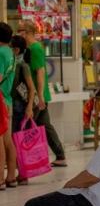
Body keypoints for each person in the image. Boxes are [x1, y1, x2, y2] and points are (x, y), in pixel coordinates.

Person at [19, 20, 67, 167]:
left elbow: (40, 72)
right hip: (39, 96)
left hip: (36, 97)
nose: (18, 34)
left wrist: (39, 96)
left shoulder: (35, 49)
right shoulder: (29, 49)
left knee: (26, 127)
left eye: (20, 31)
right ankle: (60, 156)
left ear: (26, 33)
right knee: (45, 125)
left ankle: (26, 159)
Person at [9, 36, 36, 185]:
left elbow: (31, 88)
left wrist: (29, 107)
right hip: (14, 105)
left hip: (18, 106)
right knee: (14, 141)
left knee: (16, 141)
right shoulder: (13, 64)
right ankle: (19, 173)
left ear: (16, 49)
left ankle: (22, 174)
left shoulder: (22, 66)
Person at [0, 23, 15, 190]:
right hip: (8, 100)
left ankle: (0, 180)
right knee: (7, 140)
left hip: (0, 101)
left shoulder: (0, 53)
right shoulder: (10, 52)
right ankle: (11, 177)